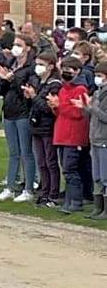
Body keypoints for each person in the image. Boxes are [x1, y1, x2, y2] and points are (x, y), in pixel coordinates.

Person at [0, 33, 37, 203]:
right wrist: (5, 80)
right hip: (9, 111)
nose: (16, 48)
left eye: (19, 44)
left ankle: (28, 188)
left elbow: (27, 91)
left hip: (23, 112)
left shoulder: (31, 68)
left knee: (26, 152)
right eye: (15, 44)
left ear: (28, 48)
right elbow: (2, 90)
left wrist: (13, 80)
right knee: (13, 152)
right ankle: (10, 187)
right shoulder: (11, 65)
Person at [48, 56, 91, 215]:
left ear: (77, 71)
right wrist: (54, 106)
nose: (65, 72)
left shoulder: (80, 89)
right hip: (62, 134)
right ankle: (70, 200)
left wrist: (60, 106)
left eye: (69, 69)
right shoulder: (63, 89)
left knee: (70, 169)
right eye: (64, 69)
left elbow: (78, 112)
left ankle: (76, 201)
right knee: (66, 169)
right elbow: (61, 112)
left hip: (74, 135)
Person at [24, 52, 62, 207]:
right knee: (41, 162)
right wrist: (29, 97)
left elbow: (48, 108)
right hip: (37, 127)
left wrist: (34, 97)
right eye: (37, 64)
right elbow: (34, 106)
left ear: (51, 66)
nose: (38, 67)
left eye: (42, 64)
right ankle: (44, 192)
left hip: (48, 127)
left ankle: (53, 194)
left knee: (50, 162)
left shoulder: (54, 84)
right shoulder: (37, 81)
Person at [73, 60, 107, 220]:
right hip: (94, 138)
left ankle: (105, 210)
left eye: (100, 75)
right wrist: (84, 108)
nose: (97, 78)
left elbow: (104, 117)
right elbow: (92, 116)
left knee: (105, 176)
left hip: (104, 139)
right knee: (97, 176)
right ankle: (98, 207)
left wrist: (92, 108)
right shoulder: (97, 93)